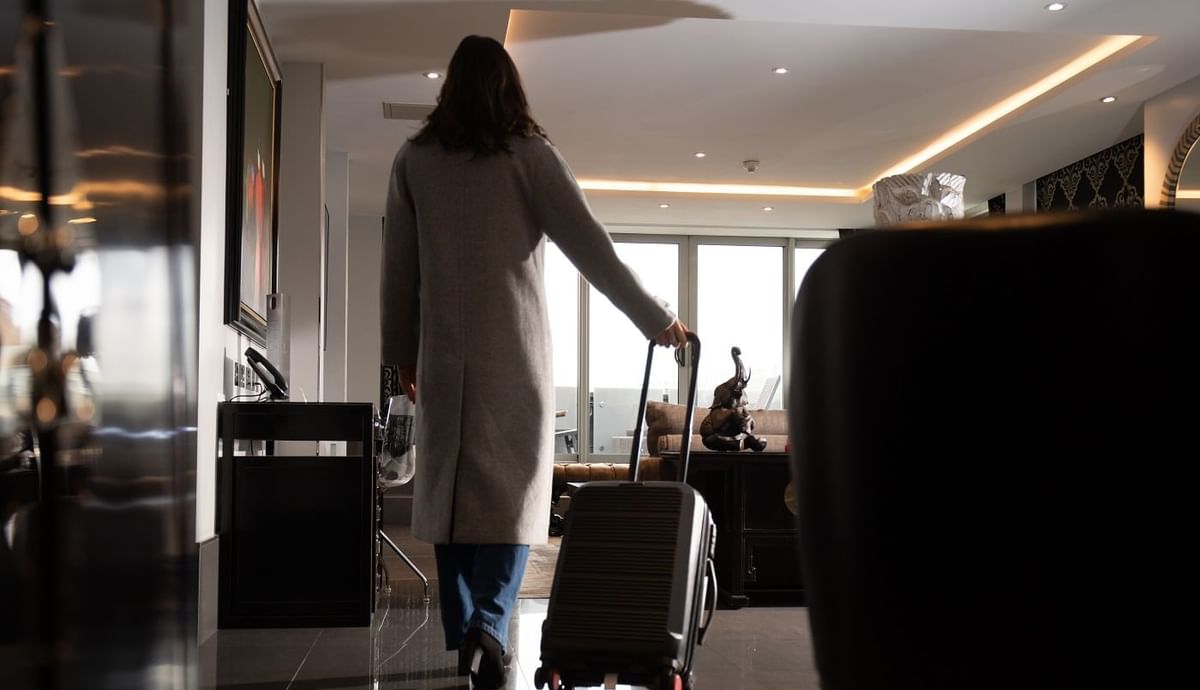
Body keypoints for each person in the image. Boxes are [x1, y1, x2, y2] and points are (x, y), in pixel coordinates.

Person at [381, 34, 688, 690]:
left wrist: (398, 357)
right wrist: (655, 317)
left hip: (442, 357)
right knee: (515, 501)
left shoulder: (414, 161)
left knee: (452, 502)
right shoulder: (529, 157)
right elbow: (593, 249)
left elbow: (396, 272)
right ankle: (491, 623)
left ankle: (468, 627)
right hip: (513, 356)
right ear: (510, 88)